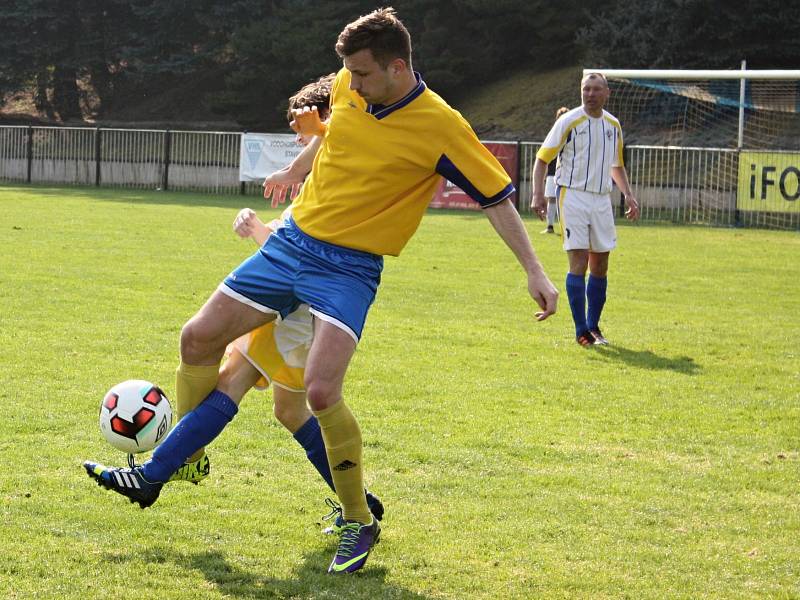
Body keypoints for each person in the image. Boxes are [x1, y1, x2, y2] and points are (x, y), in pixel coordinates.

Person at [86, 8, 558, 575]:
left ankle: (357, 521)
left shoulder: (442, 126)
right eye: (348, 75)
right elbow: (334, 132)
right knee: (198, 337)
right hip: (293, 244)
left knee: (319, 394)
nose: (349, 86)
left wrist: (533, 270)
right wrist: (296, 168)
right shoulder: (348, 86)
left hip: (349, 269)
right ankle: (178, 461)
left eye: (360, 75)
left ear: (397, 66)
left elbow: (496, 197)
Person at [85, 74, 383, 528]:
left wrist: (261, 226)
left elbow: (314, 257)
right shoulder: (322, 164)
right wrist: (262, 227)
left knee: (232, 382)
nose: (298, 138)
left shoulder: (335, 156)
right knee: (286, 409)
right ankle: (360, 505)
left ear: (327, 118)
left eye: (301, 129)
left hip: (301, 310)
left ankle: (157, 472)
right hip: (289, 303)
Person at [532, 72, 639, 347]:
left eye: (595, 89)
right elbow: (543, 158)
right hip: (574, 196)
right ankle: (581, 330)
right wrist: (537, 195)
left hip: (602, 199)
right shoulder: (569, 121)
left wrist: (628, 195)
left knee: (600, 265)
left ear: (607, 93)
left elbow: (616, 165)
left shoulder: (613, 125)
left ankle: (594, 326)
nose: (590, 94)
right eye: (586, 89)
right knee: (579, 262)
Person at [540, 106, 569, 235]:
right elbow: (544, 156)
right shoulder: (553, 134)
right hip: (553, 172)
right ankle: (550, 226)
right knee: (552, 199)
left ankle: (565, 226)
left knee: (565, 200)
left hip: (567, 173)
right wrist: (545, 174)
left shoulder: (573, 132)